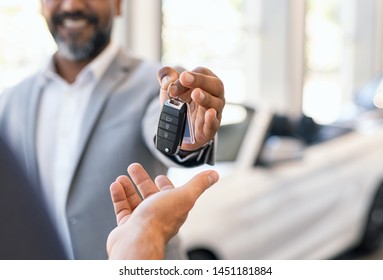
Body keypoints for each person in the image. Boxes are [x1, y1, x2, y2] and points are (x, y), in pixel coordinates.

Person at [0, 0, 225, 260]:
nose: (72, 4)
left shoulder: (161, 83)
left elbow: (166, 128)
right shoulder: (10, 101)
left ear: (118, 5)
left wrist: (189, 136)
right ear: (41, 6)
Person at [0, 136, 219, 260]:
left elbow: (177, 141)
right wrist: (148, 230)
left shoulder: (155, 79)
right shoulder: (13, 97)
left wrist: (191, 138)